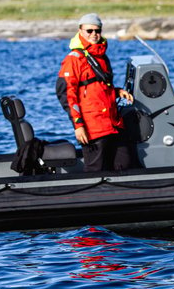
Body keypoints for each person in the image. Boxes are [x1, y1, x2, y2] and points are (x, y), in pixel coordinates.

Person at [58, 13, 135, 172]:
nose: (94, 34)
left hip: (113, 123)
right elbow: (66, 95)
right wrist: (78, 126)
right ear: (80, 31)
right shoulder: (73, 59)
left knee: (125, 164)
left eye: (97, 31)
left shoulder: (102, 56)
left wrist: (117, 91)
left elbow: (98, 88)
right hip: (92, 127)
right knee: (96, 170)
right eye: (89, 30)